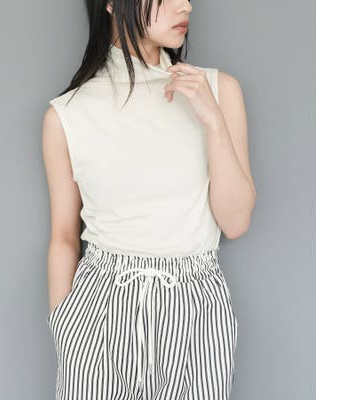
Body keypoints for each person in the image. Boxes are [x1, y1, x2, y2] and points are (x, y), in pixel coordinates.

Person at [42, 0, 256, 399]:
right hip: (100, 307)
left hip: (195, 307)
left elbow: (236, 221)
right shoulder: (67, 114)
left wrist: (212, 120)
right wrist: (65, 326)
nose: (186, 5)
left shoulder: (219, 91)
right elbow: (64, 236)